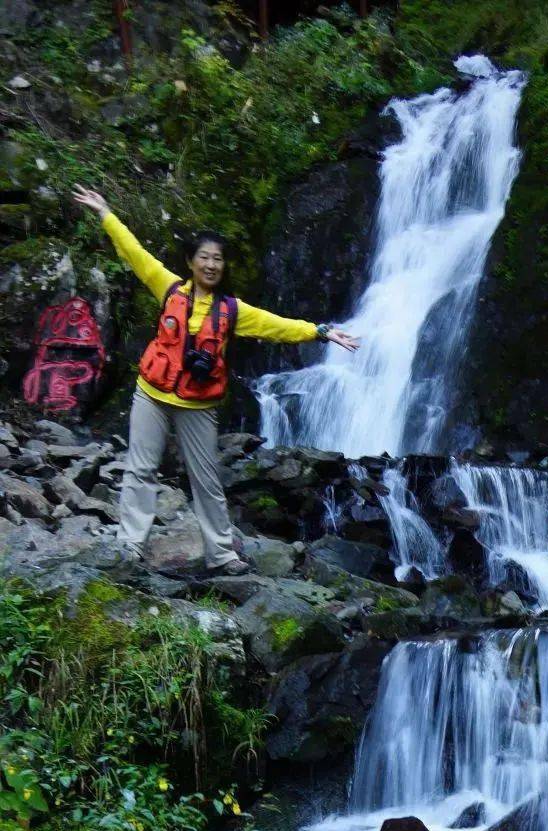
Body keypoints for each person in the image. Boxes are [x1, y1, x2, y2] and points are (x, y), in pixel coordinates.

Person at [72, 184, 357, 576]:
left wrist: (320, 331)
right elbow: (134, 253)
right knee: (141, 468)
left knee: (206, 480)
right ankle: (130, 545)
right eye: (204, 257)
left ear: (224, 266)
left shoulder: (232, 310)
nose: (211, 264)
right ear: (191, 262)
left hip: (198, 404)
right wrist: (106, 213)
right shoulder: (168, 287)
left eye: (217, 259)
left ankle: (221, 554)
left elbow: (276, 326)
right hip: (152, 393)